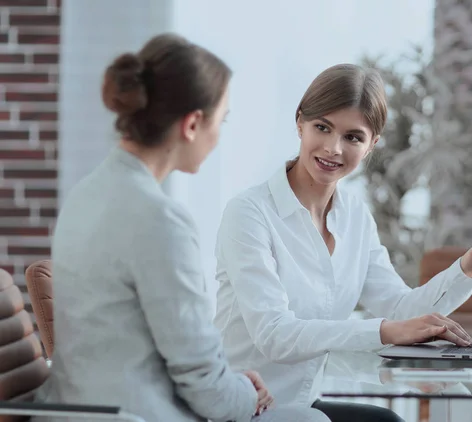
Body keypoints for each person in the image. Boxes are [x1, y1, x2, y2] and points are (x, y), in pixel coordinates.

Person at [213, 63, 472, 422]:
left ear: (372, 145)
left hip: (302, 403)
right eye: (322, 128)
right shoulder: (249, 214)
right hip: (243, 408)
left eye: (353, 137)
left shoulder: (355, 217)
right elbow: (274, 335)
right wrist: (386, 330)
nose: (333, 148)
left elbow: (401, 308)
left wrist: (471, 262)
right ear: (299, 123)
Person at [34, 33, 330, 422]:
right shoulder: (160, 220)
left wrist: (229, 382)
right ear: (192, 124)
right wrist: (244, 392)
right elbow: (204, 386)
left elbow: (164, 354)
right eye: (221, 121)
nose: (219, 137)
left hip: (83, 407)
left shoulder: (84, 195)